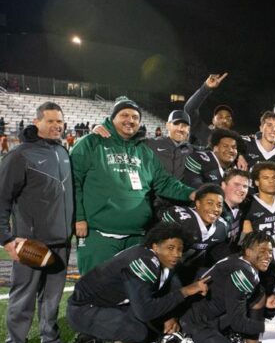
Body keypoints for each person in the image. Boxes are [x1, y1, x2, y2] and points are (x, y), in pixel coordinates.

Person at [67, 223, 210, 343]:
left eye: (180, 249)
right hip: (83, 310)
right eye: (170, 248)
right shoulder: (144, 262)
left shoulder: (159, 259)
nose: (176, 254)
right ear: (155, 246)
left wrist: (168, 315)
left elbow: (168, 287)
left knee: (160, 323)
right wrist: (185, 292)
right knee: (137, 332)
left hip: (111, 303)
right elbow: (145, 311)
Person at [70, 96, 195, 276]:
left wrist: (193, 194)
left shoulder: (144, 150)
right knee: (96, 289)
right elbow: (74, 182)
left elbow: (163, 182)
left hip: (136, 236)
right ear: (113, 118)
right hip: (99, 235)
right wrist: (79, 217)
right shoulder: (91, 142)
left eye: (135, 117)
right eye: (124, 115)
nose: (130, 120)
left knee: (131, 292)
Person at [0, 102, 74, 343]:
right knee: (24, 295)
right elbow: (2, 198)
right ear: (37, 122)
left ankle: (50, 339)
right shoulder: (20, 154)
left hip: (61, 241)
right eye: (51, 121)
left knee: (52, 297)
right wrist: (6, 239)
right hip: (30, 242)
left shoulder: (63, 152)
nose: (57, 126)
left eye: (60, 122)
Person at [180, 231, 275, 343]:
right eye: (262, 251)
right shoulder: (243, 272)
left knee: (259, 294)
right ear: (248, 252)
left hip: (209, 313)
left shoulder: (240, 261)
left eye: (269, 251)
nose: (268, 255)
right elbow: (237, 322)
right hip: (198, 323)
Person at [160, 184, 230, 283]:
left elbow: (218, 255)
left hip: (188, 270)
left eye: (219, 205)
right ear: (198, 203)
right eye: (210, 203)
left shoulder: (222, 228)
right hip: (162, 265)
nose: (215, 209)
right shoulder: (181, 219)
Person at [242, 162, 275, 243]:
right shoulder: (248, 203)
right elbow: (249, 241)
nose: (271, 181)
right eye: (266, 178)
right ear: (256, 182)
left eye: (274, 178)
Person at [183, 73, 231, 146]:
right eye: (220, 117)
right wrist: (206, 87)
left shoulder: (236, 143)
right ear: (213, 120)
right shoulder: (203, 132)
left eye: (228, 118)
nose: (224, 120)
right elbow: (189, 109)